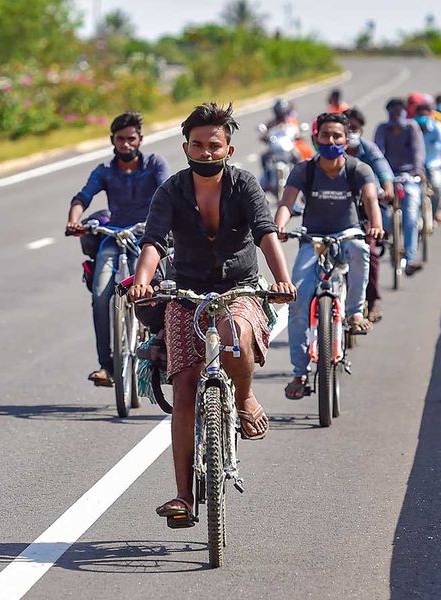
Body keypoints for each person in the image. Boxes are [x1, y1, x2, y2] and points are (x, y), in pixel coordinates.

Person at [127, 103, 296, 526]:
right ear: (185, 147)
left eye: (214, 145)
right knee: (185, 389)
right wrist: (144, 280)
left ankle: (243, 396)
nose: (205, 152)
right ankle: (183, 495)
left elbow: (265, 233)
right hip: (185, 294)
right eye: (197, 145)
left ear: (229, 148)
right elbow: (154, 241)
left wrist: (282, 279)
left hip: (238, 289)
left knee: (234, 329)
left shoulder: (245, 186)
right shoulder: (171, 190)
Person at [274, 112, 384, 400]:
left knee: (361, 249)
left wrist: (376, 225)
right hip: (313, 237)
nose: (331, 141)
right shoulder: (305, 170)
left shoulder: (358, 169)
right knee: (297, 301)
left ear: (346, 140)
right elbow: (287, 202)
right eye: (325, 136)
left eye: (337, 136)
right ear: (316, 138)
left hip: (347, 234)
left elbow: (371, 200)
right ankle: (299, 372)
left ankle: (355, 312)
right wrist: (280, 225)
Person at [66, 112, 170, 387]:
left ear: (140, 140)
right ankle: (107, 367)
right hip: (113, 237)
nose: (126, 144)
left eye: (131, 139)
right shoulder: (104, 171)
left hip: (147, 238)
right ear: (112, 140)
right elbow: (82, 197)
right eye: (120, 139)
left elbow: (167, 193)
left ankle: (161, 349)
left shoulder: (154, 164)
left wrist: (165, 223)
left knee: (158, 291)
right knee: (101, 296)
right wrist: (74, 220)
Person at [343, 107, 394, 323]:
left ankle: (373, 300)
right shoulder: (330, 154)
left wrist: (387, 188)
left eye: (354, 128)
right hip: (338, 212)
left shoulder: (368, 151)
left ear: (361, 130)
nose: (350, 132)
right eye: (346, 128)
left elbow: (383, 171)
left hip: (364, 212)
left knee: (369, 253)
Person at [374, 98, 425, 276]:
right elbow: (378, 154)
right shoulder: (382, 129)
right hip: (388, 176)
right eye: (392, 110)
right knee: (379, 206)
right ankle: (385, 235)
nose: (396, 114)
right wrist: (381, 175)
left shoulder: (411, 128)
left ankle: (410, 258)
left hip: (408, 176)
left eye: (399, 110)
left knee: (411, 215)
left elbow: (418, 152)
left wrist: (417, 171)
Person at [415, 103, 441, 225]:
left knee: (437, 186)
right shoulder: (412, 128)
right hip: (416, 166)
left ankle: (436, 212)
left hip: (433, 165)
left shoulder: (437, 128)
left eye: (425, 115)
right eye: (420, 115)